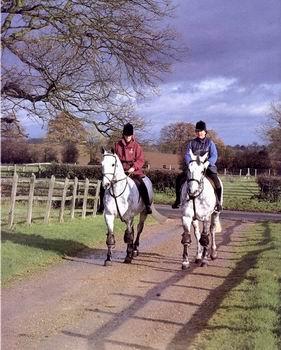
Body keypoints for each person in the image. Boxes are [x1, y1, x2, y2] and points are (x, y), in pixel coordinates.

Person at [98, 123, 152, 214]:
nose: (128, 137)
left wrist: (133, 168)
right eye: (126, 135)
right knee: (104, 183)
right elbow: (113, 158)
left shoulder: (136, 146)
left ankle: (147, 205)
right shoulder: (117, 145)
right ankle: (102, 206)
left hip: (134, 171)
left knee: (141, 184)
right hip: (120, 171)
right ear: (123, 134)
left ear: (132, 135)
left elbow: (140, 160)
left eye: (129, 135)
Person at [172, 120, 223, 212]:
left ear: (205, 132)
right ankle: (178, 200)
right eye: (197, 131)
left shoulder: (210, 143)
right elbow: (187, 154)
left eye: (201, 131)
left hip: (207, 167)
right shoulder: (191, 143)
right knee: (179, 178)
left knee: (217, 183)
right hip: (194, 167)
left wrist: (208, 163)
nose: (199, 133)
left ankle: (218, 203)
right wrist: (190, 163)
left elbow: (214, 155)